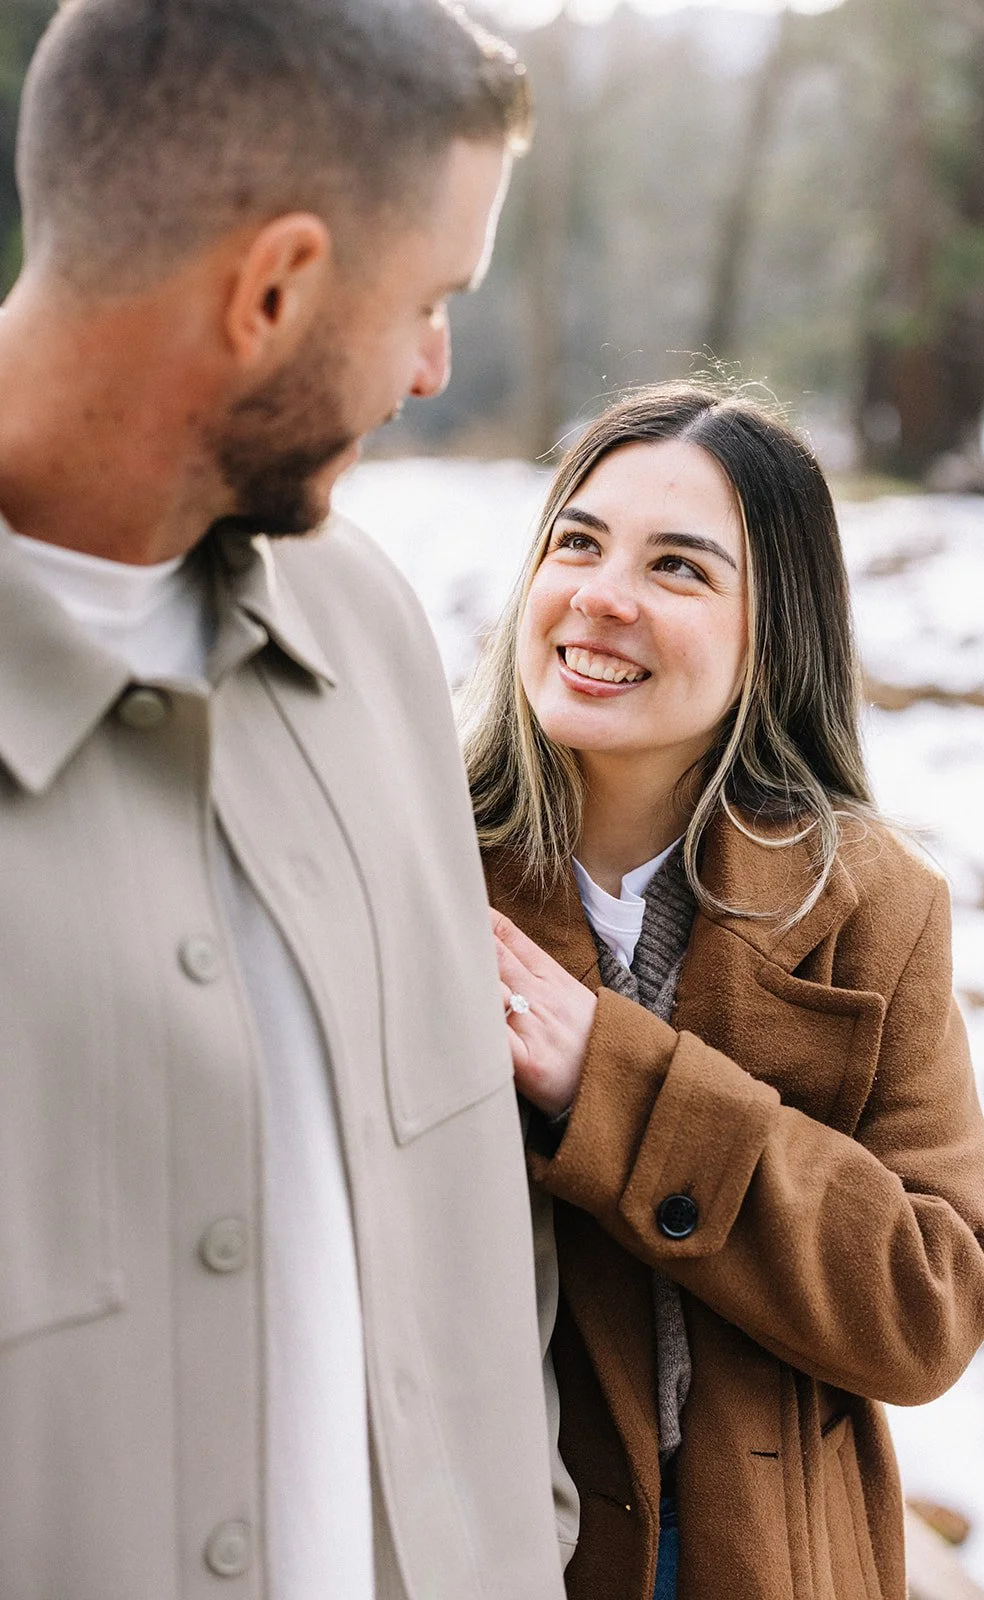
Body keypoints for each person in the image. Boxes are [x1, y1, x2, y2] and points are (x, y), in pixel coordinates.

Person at [0, 2, 569, 1596]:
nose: (434, 363)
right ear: (274, 289)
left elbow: (470, 1237)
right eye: (427, 300)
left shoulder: (374, 634)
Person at [463, 383, 984, 1600]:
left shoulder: (871, 902)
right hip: (495, 1550)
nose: (602, 597)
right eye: (578, 541)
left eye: (679, 568)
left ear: (776, 630)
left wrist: (615, 1086)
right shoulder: (420, 863)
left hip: (765, 1562)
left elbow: (934, 1300)